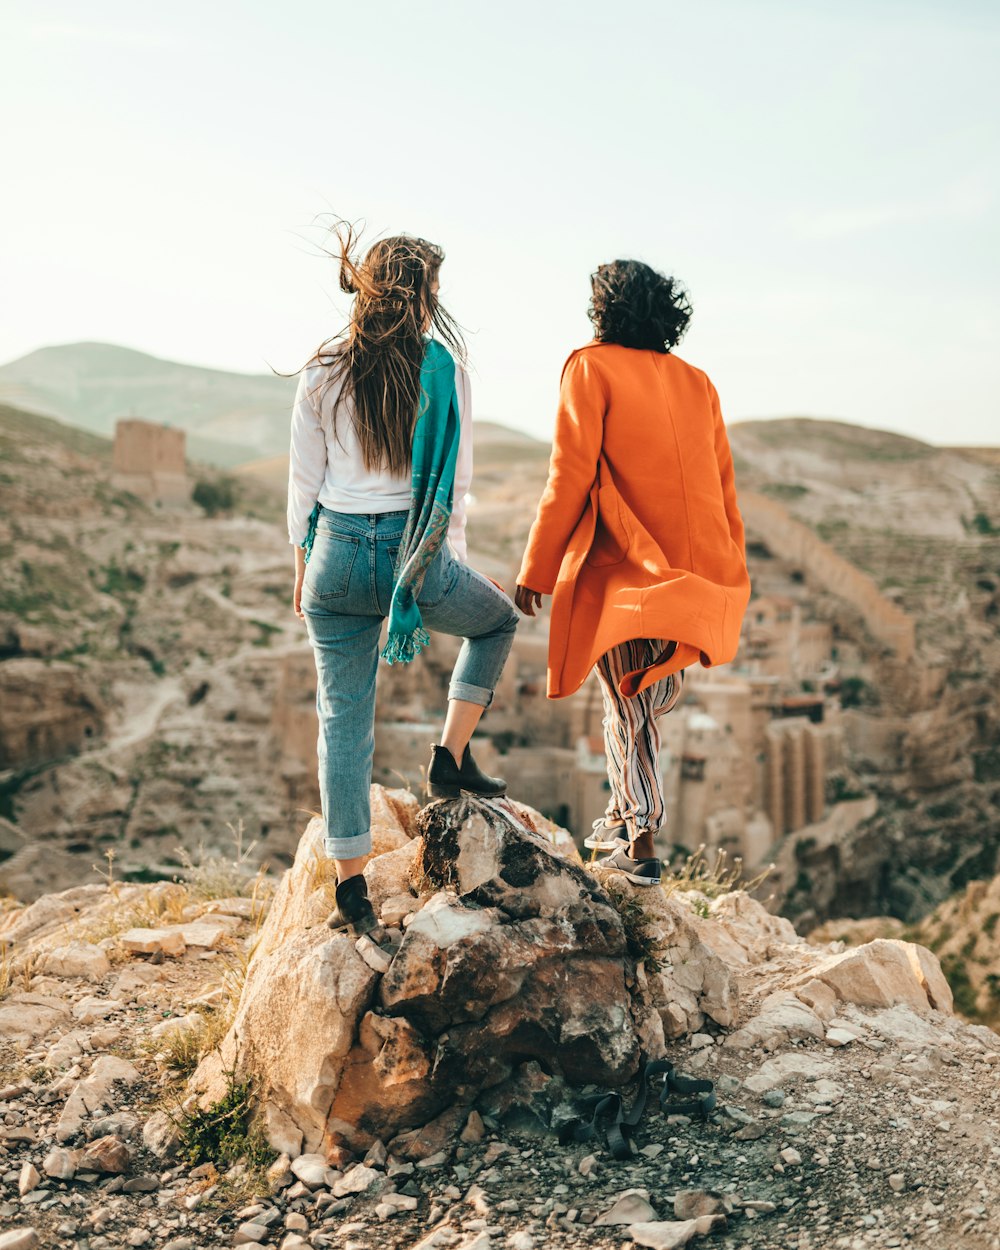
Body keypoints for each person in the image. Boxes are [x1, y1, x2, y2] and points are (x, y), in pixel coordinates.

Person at [288, 229, 517, 935]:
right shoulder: (445, 371)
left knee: (343, 723)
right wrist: (441, 568)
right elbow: (459, 486)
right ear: (424, 294)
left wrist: (304, 574)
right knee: (498, 621)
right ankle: (449, 758)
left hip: (335, 554)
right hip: (412, 555)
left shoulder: (322, 368)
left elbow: (304, 488)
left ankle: (351, 890)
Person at [515, 259, 750, 886]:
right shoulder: (698, 382)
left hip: (628, 566)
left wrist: (536, 568)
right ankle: (624, 818)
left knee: (626, 699)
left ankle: (641, 843)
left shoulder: (589, 367)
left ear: (603, 308)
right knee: (638, 695)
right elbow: (725, 490)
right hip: (695, 571)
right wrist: (730, 571)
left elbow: (568, 475)